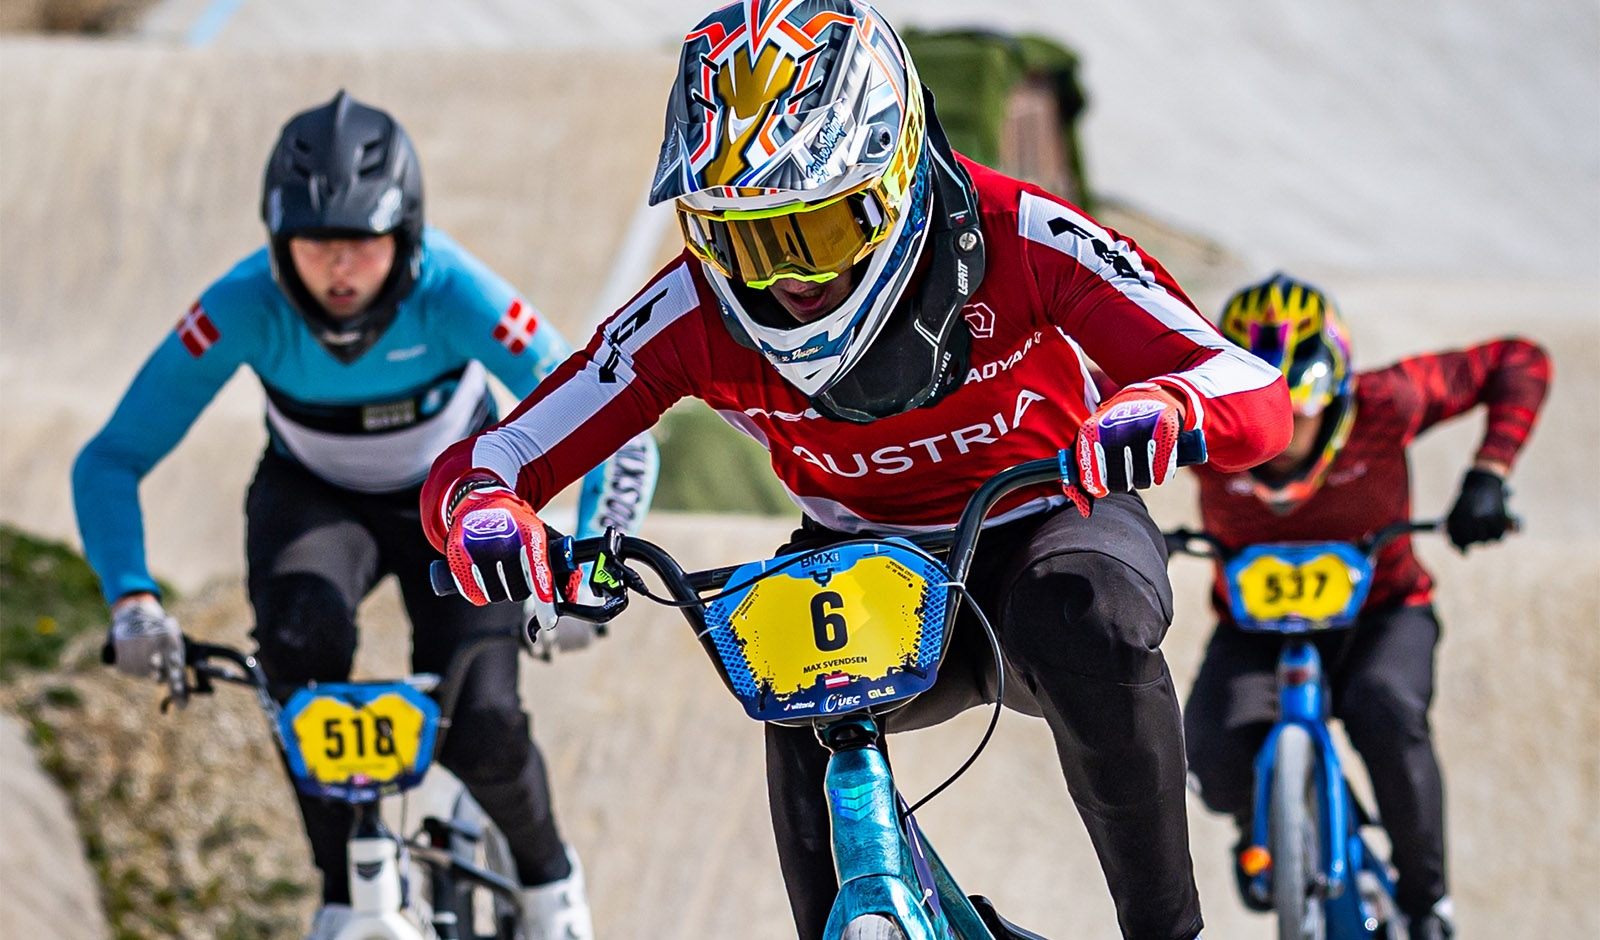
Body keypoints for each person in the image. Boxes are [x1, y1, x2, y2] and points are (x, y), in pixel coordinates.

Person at [419, 4, 1292, 939]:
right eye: (746, 241)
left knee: (1083, 616)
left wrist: (1170, 406)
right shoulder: (693, 307)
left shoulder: (1022, 231)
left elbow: (1250, 387)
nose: (787, 279)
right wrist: (486, 515)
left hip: (1049, 522)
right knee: (786, 676)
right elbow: (493, 460)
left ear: (899, 176)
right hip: (862, 563)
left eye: (818, 229)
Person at [72, 91, 658, 940]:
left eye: (363, 244)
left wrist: (586, 575)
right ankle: (344, 890)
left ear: (407, 236)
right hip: (314, 499)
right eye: (315, 245)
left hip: (460, 500)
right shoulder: (241, 303)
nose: (339, 270)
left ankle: (549, 885)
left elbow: (614, 424)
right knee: (299, 660)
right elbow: (110, 458)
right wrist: (132, 600)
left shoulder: (456, 289)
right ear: (277, 243)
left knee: (484, 726)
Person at [1181, 272, 1551, 940]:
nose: (1277, 441)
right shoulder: (1193, 422)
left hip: (1383, 611)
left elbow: (1519, 361)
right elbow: (1083, 393)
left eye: (1296, 417)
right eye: (1256, 422)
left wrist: (1488, 474)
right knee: (1210, 754)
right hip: (1254, 628)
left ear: (1335, 397)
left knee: (1387, 709)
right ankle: (1266, 826)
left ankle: (1428, 902)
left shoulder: (1390, 401)